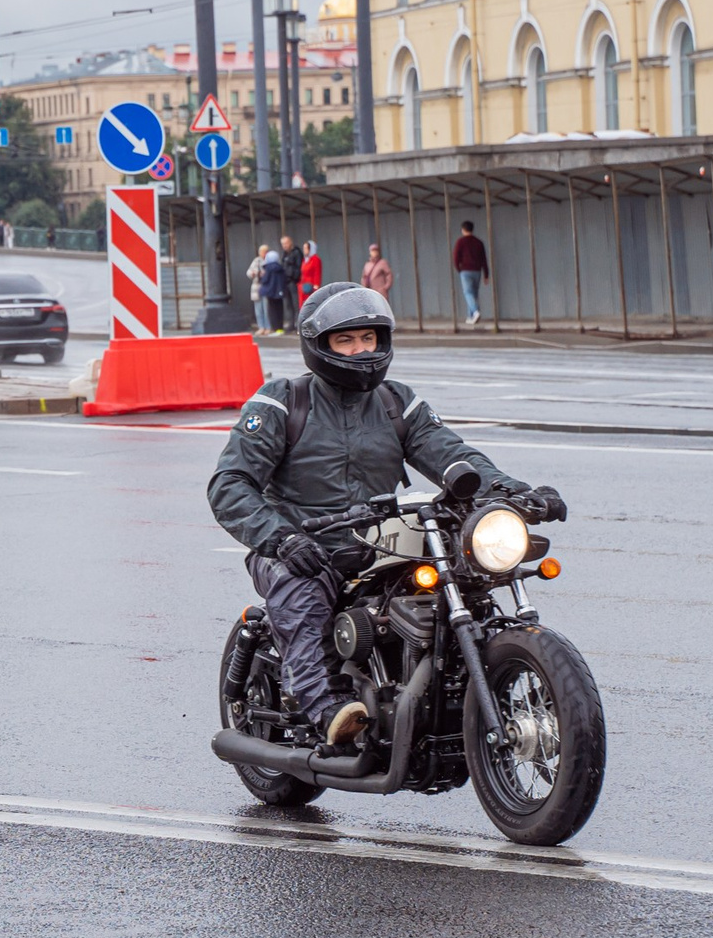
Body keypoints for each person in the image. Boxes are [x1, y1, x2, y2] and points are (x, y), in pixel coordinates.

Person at [208, 283, 564, 747]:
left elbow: (454, 457)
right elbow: (229, 485)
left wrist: (515, 493)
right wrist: (280, 538)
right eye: (346, 341)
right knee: (305, 596)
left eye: (368, 339)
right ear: (320, 345)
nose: (361, 350)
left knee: (465, 572)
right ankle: (329, 706)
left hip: (382, 541)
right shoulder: (283, 402)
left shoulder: (397, 404)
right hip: (300, 544)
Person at [452, 220, 490, 325]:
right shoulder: (479, 242)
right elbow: (484, 259)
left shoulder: (460, 242)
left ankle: (476, 311)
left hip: (465, 270)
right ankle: (471, 316)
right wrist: (486, 274)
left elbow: (455, 257)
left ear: (463, 230)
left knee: (467, 292)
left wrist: (458, 269)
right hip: (477, 271)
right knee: (473, 293)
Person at [256, 241, 291, 334]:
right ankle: (280, 328)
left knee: (272, 311)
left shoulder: (268, 268)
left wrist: (261, 276)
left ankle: (275, 329)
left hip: (270, 292)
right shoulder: (280, 267)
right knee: (280, 310)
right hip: (279, 292)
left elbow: (264, 280)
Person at [296, 240, 323, 313]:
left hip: (310, 285)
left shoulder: (315, 259)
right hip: (303, 286)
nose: (304, 250)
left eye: (306, 248)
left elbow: (317, 273)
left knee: (310, 305)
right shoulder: (305, 260)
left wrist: (316, 285)